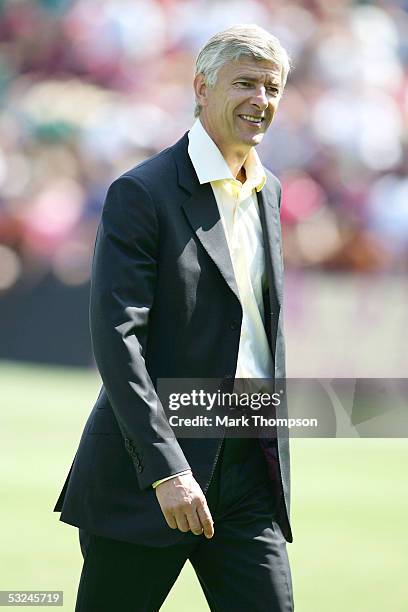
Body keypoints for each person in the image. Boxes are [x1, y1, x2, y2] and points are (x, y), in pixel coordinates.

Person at [54, 23, 294, 611]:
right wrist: (167, 472)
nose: (259, 101)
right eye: (244, 83)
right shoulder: (141, 192)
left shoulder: (270, 191)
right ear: (201, 88)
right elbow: (118, 339)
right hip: (153, 476)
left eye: (271, 88)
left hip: (249, 469)